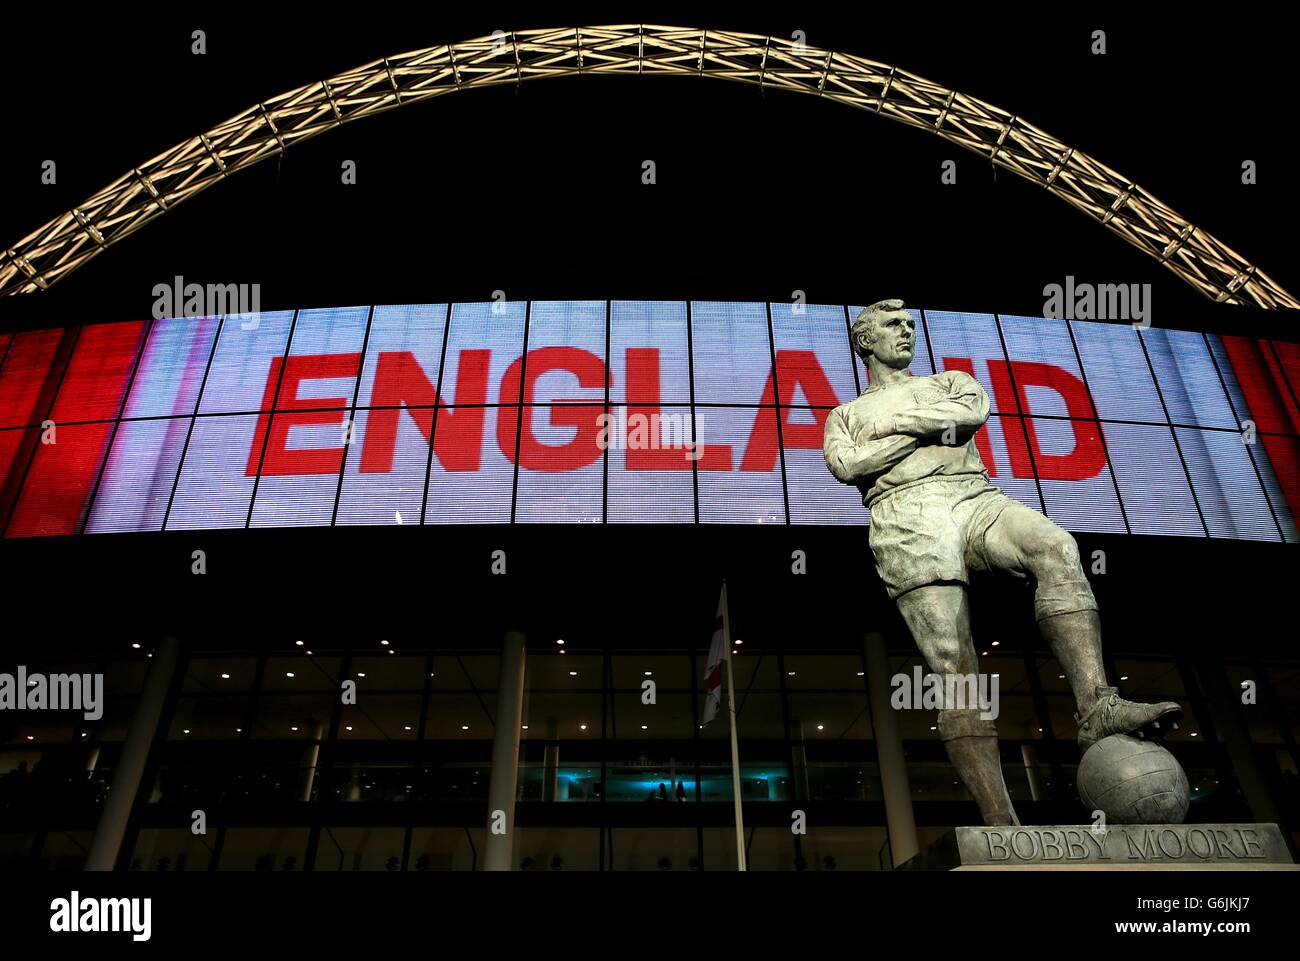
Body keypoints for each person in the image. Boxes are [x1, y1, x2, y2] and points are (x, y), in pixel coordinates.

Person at [823, 299, 1182, 826]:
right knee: (955, 669)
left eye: (909, 325)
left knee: (1056, 547)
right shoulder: (845, 414)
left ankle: (1096, 706)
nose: (906, 332)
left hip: (974, 496)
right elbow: (846, 464)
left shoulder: (953, 380)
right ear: (864, 341)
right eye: (893, 325)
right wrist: (925, 430)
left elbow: (969, 413)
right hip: (905, 517)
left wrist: (893, 427)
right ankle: (1001, 822)